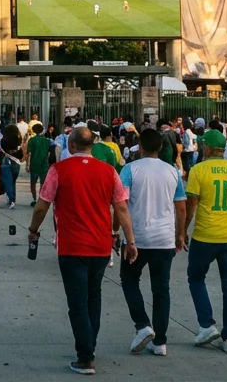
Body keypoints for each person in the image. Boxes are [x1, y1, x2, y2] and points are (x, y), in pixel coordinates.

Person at [27, 126, 139, 375]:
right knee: (93, 297)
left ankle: (85, 357)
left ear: (72, 145)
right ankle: (90, 345)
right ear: (91, 145)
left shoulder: (59, 170)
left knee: (77, 302)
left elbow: (42, 207)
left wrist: (33, 230)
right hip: (100, 246)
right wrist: (130, 241)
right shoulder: (109, 171)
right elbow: (121, 209)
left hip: (71, 246)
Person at [117, 127, 186, 357]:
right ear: (161, 147)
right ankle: (161, 341)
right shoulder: (173, 172)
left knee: (128, 280)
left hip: (137, 237)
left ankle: (143, 325)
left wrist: (117, 231)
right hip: (164, 239)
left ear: (140, 146)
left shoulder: (130, 170)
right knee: (161, 289)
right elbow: (181, 206)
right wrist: (180, 234)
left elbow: (121, 204)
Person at [185, 129, 227, 355]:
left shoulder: (198, 170)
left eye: (203, 145)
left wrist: (182, 231)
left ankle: (207, 325)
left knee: (195, 277)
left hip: (205, 235)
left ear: (208, 148)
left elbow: (191, 205)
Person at [0, 119, 24, 209]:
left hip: (5, 160)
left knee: (7, 180)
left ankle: (11, 198)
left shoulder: (3, 139)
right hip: (16, 162)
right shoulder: (19, 140)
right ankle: (12, 199)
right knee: (13, 181)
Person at [25, 122, 54, 204]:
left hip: (34, 164)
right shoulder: (47, 141)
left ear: (34, 131)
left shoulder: (32, 140)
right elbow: (49, 152)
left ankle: (34, 198)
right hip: (44, 164)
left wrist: (27, 164)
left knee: (33, 183)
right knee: (42, 183)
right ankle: (40, 198)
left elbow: (28, 153)